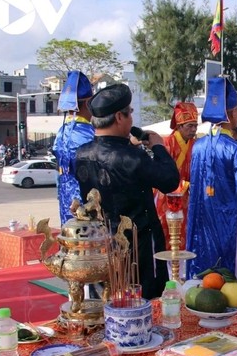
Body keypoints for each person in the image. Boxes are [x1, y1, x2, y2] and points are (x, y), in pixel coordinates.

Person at [73, 84, 180, 300]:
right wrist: (158, 146)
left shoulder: (81, 154)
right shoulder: (132, 158)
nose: (132, 118)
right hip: (137, 248)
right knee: (143, 301)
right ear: (119, 118)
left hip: (101, 245)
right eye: (129, 113)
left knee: (107, 299)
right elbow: (170, 181)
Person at [185, 78, 237, 307]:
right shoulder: (234, 148)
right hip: (232, 222)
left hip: (202, 222)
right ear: (232, 112)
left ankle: (204, 311)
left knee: (206, 270)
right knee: (235, 276)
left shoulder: (198, 146)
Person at [52, 71, 95, 224]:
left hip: (65, 199)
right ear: (89, 103)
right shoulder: (90, 133)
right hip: (86, 201)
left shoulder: (61, 132)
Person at [154, 102, 198, 251]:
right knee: (166, 233)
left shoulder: (195, 144)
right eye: (189, 126)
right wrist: (183, 185)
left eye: (195, 126)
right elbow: (161, 173)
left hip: (185, 196)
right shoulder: (167, 143)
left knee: (184, 233)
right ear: (179, 126)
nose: (193, 130)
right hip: (167, 196)